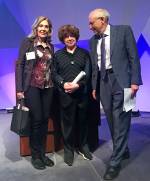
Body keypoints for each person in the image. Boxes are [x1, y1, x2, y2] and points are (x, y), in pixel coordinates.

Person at [88, 9, 142, 180]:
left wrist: (135, 81)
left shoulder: (124, 30)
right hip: (104, 83)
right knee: (111, 118)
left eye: (92, 23)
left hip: (125, 83)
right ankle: (123, 149)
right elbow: (95, 66)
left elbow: (134, 57)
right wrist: (94, 86)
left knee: (123, 117)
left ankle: (115, 162)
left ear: (102, 20)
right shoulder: (92, 41)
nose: (89, 27)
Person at [16, 16, 54, 170]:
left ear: (49, 29)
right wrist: (19, 89)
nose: (43, 29)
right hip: (32, 86)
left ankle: (43, 154)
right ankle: (35, 155)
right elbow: (20, 65)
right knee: (36, 120)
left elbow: (52, 67)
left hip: (48, 87)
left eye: (46, 26)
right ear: (36, 28)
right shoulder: (28, 43)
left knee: (45, 120)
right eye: (41, 26)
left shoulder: (50, 46)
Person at [52, 24, 92, 166]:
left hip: (81, 94)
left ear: (76, 37)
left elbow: (88, 73)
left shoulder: (85, 54)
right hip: (65, 95)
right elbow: (54, 73)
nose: (69, 38)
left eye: (72, 36)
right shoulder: (57, 55)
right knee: (67, 124)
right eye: (66, 36)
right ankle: (68, 150)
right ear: (63, 39)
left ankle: (83, 146)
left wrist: (78, 85)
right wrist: (63, 84)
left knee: (82, 122)